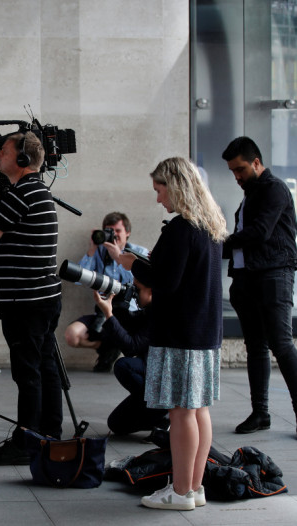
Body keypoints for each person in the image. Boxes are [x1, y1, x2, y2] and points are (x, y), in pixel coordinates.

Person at [117, 157, 226, 511]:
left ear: (175, 185)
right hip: (205, 332)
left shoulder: (181, 228)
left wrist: (134, 264)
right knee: (198, 410)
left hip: (181, 333)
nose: (158, 199)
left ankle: (180, 492)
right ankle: (193, 488)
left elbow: (166, 282)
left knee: (181, 412)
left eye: (160, 190)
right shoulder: (210, 224)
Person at [0, 130, 62, 465]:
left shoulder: (23, 195)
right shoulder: (32, 191)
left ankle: (27, 442)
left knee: (28, 372)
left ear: (22, 159)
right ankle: (50, 435)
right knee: (45, 366)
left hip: (27, 302)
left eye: (4, 151)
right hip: (42, 299)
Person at [221, 136, 297, 436]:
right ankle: (260, 413)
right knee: (256, 347)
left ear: (256, 162)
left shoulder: (274, 188)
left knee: (281, 344)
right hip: (249, 278)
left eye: (240, 169)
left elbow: (260, 233)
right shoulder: (251, 194)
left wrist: (220, 242)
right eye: (232, 171)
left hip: (273, 275)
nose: (236, 177)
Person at [64, 212, 148, 372]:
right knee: (71, 335)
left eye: (117, 231)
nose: (113, 235)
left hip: (131, 315)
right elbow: (78, 278)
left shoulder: (139, 252)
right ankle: (109, 346)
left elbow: (142, 283)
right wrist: (93, 248)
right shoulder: (99, 253)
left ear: (127, 233)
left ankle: (115, 345)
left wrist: (119, 258)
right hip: (103, 312)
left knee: (133, 344)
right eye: (109, 231)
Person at [97, 262, 169, 435]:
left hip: (161, 382)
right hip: (150, 380)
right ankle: (160, 418)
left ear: (151, 291)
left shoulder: (161, 313)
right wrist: (118, 307)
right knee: (116, 424)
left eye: (137, 289)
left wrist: (108, 315)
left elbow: (131, 347)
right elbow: (132, 324)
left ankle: (162, 409)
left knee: (124, 366)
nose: (134, 292)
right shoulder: (151, 309)